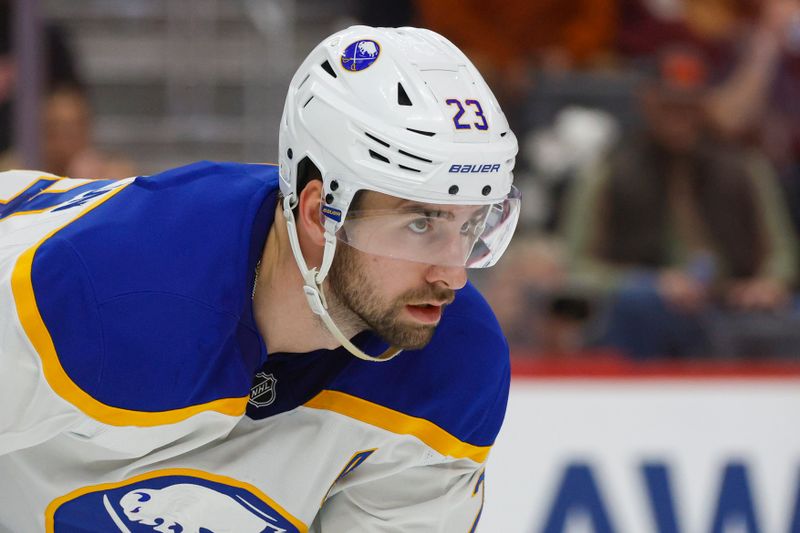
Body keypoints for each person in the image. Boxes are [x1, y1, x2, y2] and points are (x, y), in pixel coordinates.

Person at [0, 26, 520, 531]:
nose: (453, 272)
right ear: (320, 213)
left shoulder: (454, 364)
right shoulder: (113, 290)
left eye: (471, 225)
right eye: (420, 223)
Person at [563, 47, 798, 359]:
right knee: (638, 309)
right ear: (647, 102)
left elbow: (782, 251)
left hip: (733, 306)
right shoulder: (609, 172)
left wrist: (768, 283)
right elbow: (575, 266)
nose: (680, 119)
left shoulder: (745, 168)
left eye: (689, 107)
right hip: (646, 311)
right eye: (669, 107)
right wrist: (648, 283)